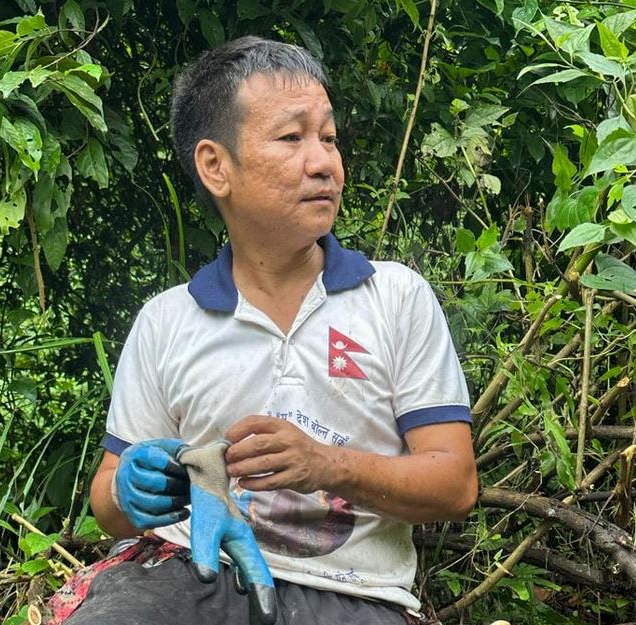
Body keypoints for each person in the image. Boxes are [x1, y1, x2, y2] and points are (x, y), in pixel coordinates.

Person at [58, 35, 478, 625]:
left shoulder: (395, 298)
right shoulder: (167, 321)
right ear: (216, 167)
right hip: (193, 575)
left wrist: (326, 465)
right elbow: (108, 505)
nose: (324, 162)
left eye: (328, 138)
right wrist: (130, 488)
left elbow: (456, 485)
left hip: (356, 596)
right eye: (292, 137)